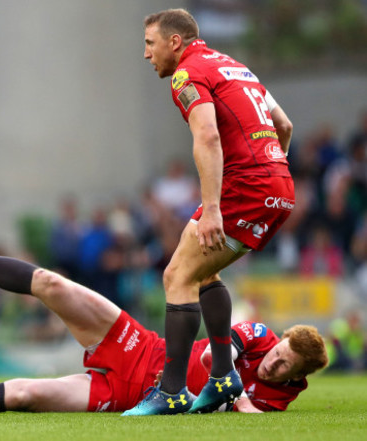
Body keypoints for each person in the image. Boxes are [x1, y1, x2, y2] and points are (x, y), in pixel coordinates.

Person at [0, 214, 327, 415]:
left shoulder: (282, 397)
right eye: (279, 351)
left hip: (128, 394)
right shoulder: (262, 337)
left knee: (24, 395)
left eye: (283, 364)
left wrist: (239, 403)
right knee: (53, 284)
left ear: (297, 376)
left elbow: (252, 413)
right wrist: (234, 394)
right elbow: (215, 357)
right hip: (142, 349)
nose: (273, 360)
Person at [125, 9, 296, 415]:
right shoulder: (237, 67)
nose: (146, 54)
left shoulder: (188, 74)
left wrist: (214, 209)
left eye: (150, 44)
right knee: (204, 272)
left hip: (244, 187)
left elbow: (207, 135)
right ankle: (223, 377)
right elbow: (284, 125)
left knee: (177, 276)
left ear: (174, 43)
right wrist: (272, 172)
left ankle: (171, 392)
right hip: (278, 184)